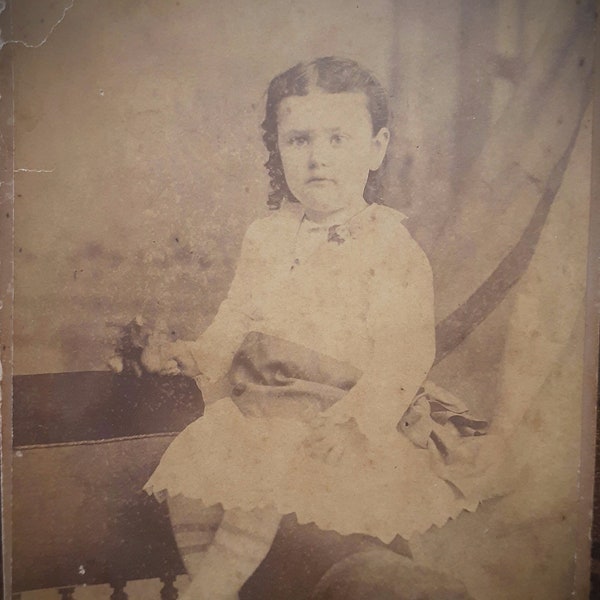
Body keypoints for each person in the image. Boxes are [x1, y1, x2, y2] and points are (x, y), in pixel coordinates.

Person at [142, 56, 476, 600]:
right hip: (267, 401)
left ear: (376, 147)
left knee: (266, 476)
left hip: (339, 409)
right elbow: (237, 315)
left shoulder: (392, 247)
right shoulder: (267, 235)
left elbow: (404, 354)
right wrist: (199, 354)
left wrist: (356, 421)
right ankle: (213, 581)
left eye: (338, 139)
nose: (318, 158)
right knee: (193, 474)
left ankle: (216, 586)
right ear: (277, 149)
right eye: (298, 141)